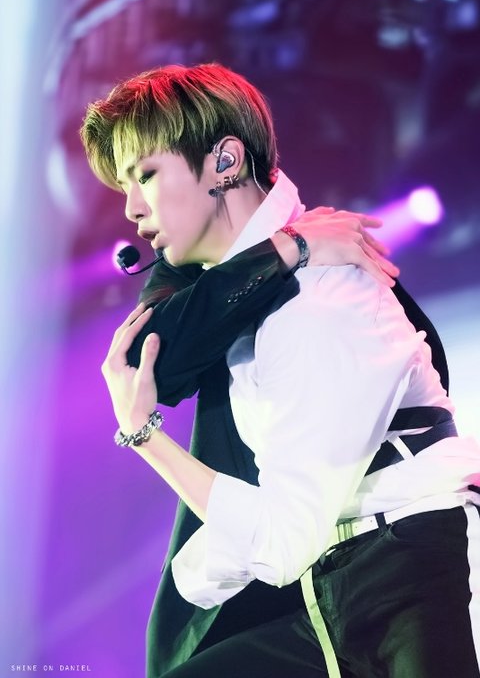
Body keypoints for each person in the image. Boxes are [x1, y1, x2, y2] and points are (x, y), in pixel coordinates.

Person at [81, 64, 480, 678]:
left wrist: (145, 438)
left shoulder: (322, 293)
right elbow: (150, 354)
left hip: (411, 570)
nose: (132, 209)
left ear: (225, 161)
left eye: (146, 175)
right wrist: (287, 247)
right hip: (335, 582)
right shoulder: (230, 274)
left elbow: (284, 539)